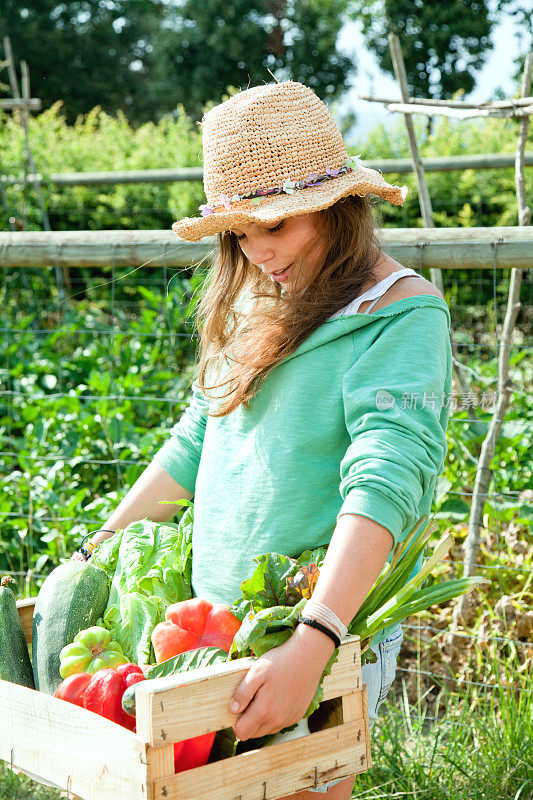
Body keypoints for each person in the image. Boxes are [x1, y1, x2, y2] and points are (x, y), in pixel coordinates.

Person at [73, 81, 452, 799]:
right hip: (207, 623)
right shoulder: (258, 296)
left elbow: (385, 480)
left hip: (309, 622)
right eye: (239, 233)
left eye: (273, 227)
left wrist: (315, 638)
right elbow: (194, 441)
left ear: (335, 207)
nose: (256, 251)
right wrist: (95, 551)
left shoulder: (400, 316)